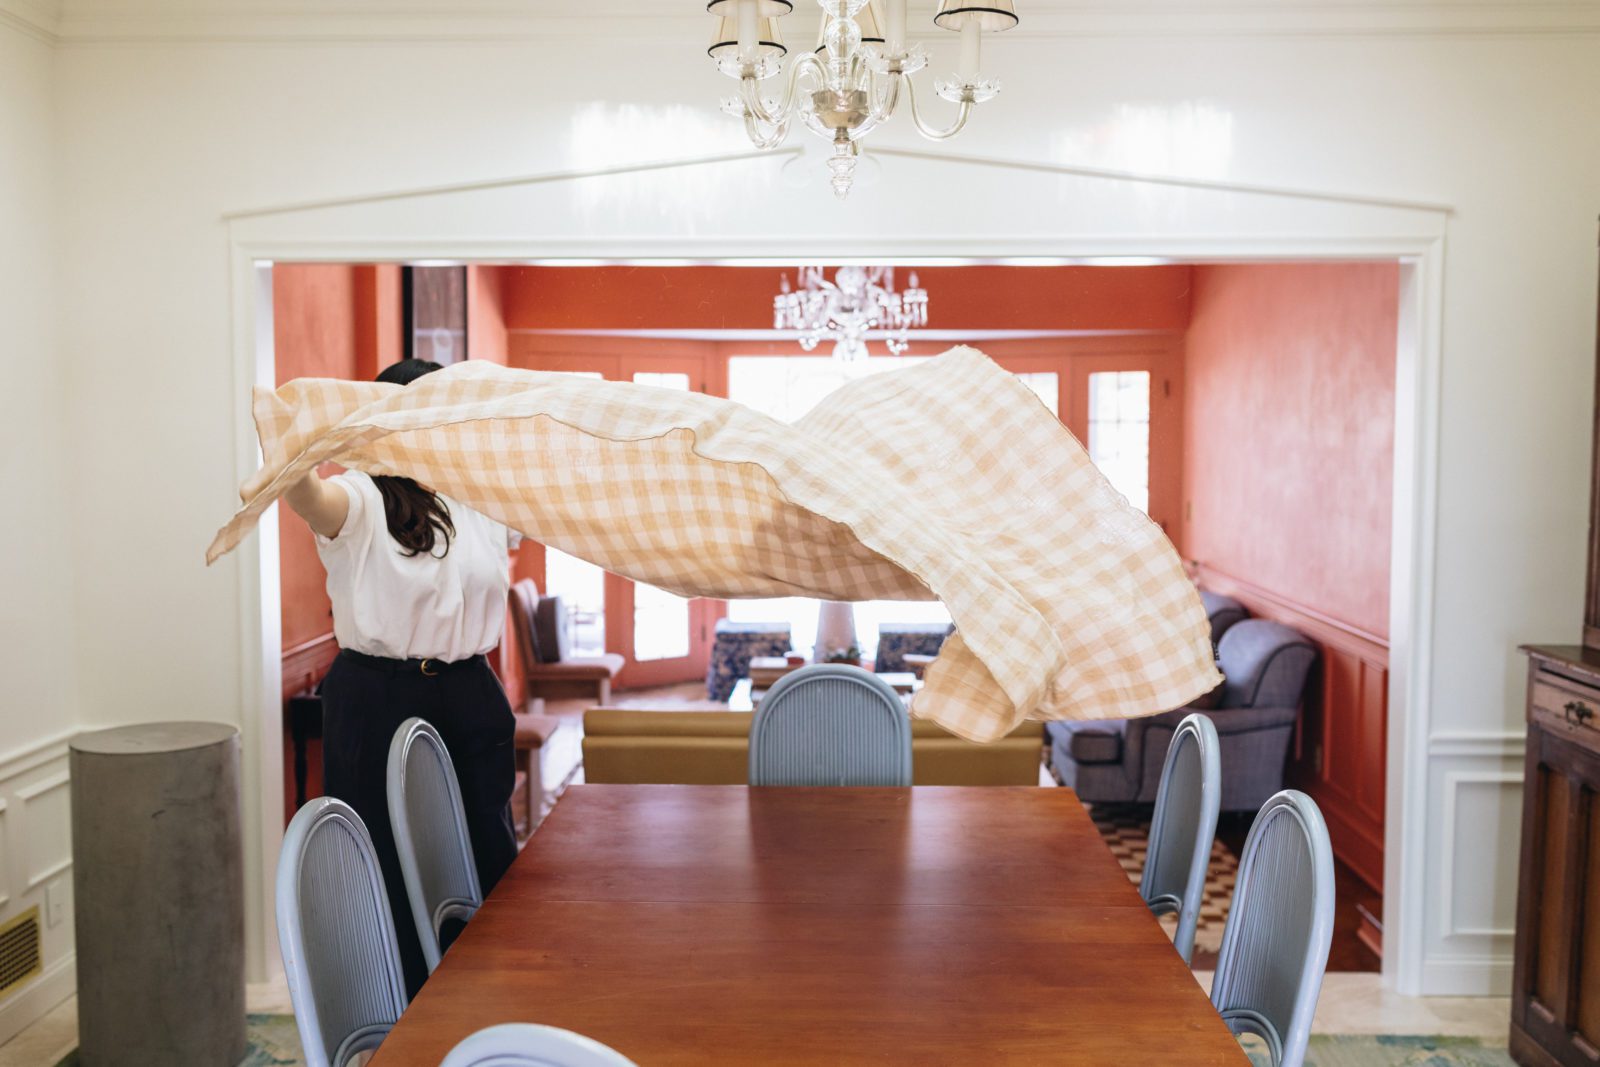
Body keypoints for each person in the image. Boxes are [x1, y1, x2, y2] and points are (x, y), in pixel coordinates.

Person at [282, 358, 519, 996]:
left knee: (486, 847)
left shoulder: (483, 499)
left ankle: (486, 1006)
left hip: (471, 690)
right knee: (387, 859)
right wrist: (296, 441)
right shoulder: (359, 495)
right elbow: (308, 495)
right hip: (378, 696)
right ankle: (402, 1014)